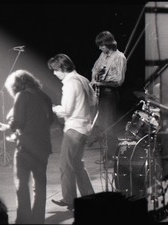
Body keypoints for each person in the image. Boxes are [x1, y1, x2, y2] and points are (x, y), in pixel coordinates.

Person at [0, 69, 54, 224]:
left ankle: (23, 220)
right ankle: (38, 220)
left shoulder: (22, 96)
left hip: (26, 148)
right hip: (43, 147)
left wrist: (7, 127)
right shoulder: (44, 97)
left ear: (16, 85)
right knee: (40, 186)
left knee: (21, 185)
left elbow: (17, 122)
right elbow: (49, 121)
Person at [47, 53, 96, 211]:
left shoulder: (69, 83)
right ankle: (88, 196)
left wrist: (53, 108)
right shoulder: (83, 79)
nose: (54, 73)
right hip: (84, 127)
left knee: (65, 165)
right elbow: (94, 101)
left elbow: (66, 110)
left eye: (55, 70)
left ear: (62, 67)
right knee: (76, 164)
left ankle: (70, 200)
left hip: (74, 128)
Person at [90, 30, 127, 165]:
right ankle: (107, 155)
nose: (100, 48)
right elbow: (94, 68)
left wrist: (99, 82)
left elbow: (118, 81)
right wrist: (95, 76)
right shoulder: (103, 55)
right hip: (101, 93)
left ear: (110, 44)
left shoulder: (119, 57)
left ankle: (112, 157)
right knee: (102, 125)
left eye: (102, 45)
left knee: (110, 125)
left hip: (111, 94)